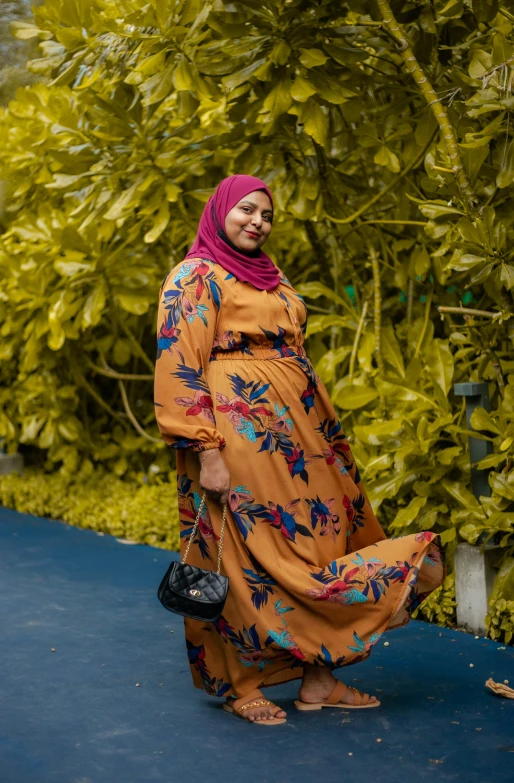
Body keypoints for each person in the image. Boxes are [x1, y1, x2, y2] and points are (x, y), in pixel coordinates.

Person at [154, 174, 445, 726]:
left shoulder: (271, 277)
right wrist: (206, 450)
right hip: (236, 440)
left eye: (266, 214)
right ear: (220, 212)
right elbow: (178, 366)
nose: (257, 222)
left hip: (304, 441)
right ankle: (244, 685)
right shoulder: (194, 277)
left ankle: (319, 678)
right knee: (241, 556)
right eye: (246, 210)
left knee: (319, 543)